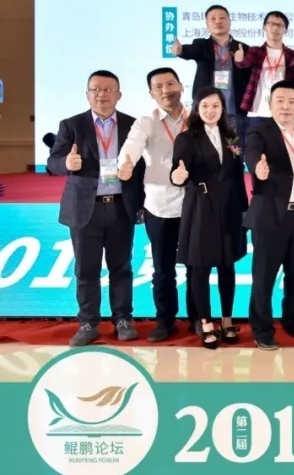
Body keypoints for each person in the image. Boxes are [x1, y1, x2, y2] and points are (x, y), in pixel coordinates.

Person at [47, 70, 145, 347]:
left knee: (121, 268)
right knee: (86, 270)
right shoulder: (72, 125)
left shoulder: (132, 125)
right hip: (84, 209)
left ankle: (123, 320)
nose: (101, 94)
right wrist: (67, 164)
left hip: (120, 207)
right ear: (87, 94)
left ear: (119, 94)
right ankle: (88, 323)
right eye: (96, 89)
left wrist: (141, 202)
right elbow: (53, 161)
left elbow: (142, 167)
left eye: (108, 89)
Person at [116, 68, 196, 341]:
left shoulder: (196, 120)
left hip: (195, 206)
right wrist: (125, 164)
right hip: (159, 206)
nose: (165, 90)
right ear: (151, 93)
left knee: (196, 268)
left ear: (181, 86)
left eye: (170, 84)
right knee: (163, 269)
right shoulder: (146, 122)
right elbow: (131, 147)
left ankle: (198, 319)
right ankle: (165, 321)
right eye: (158, 86)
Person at [169, 88, 249, 349]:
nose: (210, 111)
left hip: (230, 208)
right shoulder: (187, 138)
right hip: (201, 208)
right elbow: (177, 171)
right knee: (200, 267)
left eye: (215, 105)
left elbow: (237, 176)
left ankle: (227, 320)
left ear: (223, 108)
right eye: (204, 106)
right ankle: (205, 322)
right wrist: (177, 177)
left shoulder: (231, 137)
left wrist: (244, 210)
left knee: (228, 265)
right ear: (197, 108)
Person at [244, 81, 294, 351]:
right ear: (270, 104)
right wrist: (257, 167)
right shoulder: (259, 131)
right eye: (280, 101)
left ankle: (293, 321)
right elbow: (252, 153)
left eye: (291, 101)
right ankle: (262, 329)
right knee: (264, 276)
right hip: (270, 215)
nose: (285, 106)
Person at [171, 4, 251, 142]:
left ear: (230, 21)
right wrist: (180, 51)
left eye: (222, 18)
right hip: (207, 111)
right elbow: (189, 51)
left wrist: (242, 62)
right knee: (206, 148)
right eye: (213, 19)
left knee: (234, 150)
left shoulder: (242, 48)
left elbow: (250, 75)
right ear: (207, 24)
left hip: (233, 109)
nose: (218, 21)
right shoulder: (201, 45)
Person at [235, 11, 294, 129]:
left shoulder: (293, 56)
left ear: (286, 30)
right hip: (257, 110)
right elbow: (244, 64)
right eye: (271, 24)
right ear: (264, 27)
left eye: (279, 25)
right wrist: (239, 60)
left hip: (282, 112)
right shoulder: (255, 51)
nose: (275, 28)